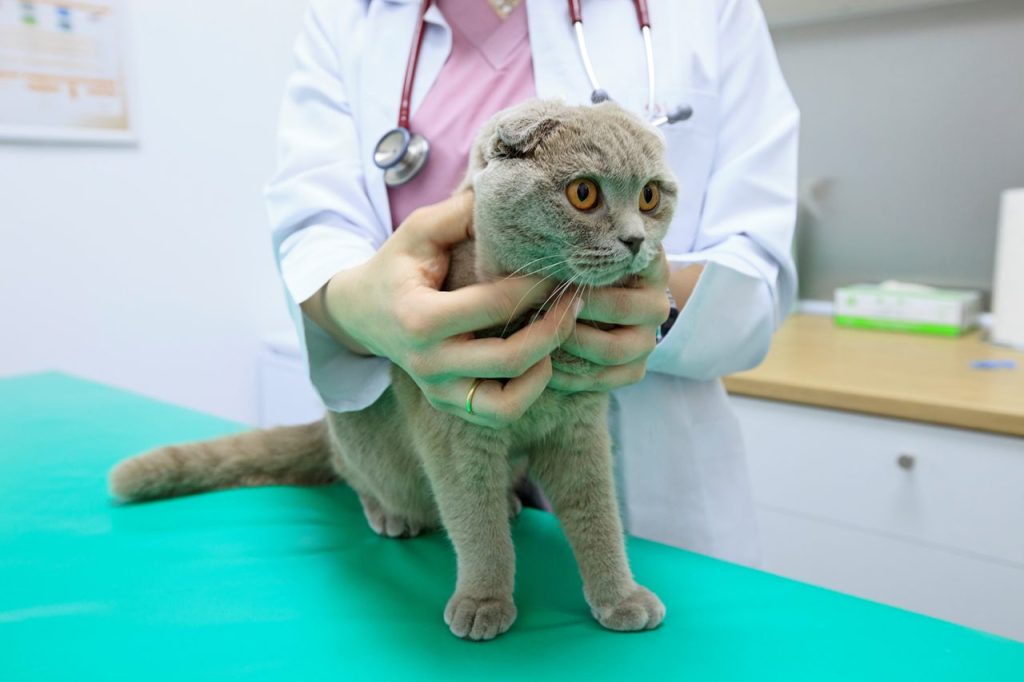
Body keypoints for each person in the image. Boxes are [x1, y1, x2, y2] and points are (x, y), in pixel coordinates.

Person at [264, 0, 798, 567]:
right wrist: (364, 309)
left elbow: (756, 262)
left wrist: (652, 309)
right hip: (426, 502)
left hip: (656, 502)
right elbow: (314, 229)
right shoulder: (349, 18)